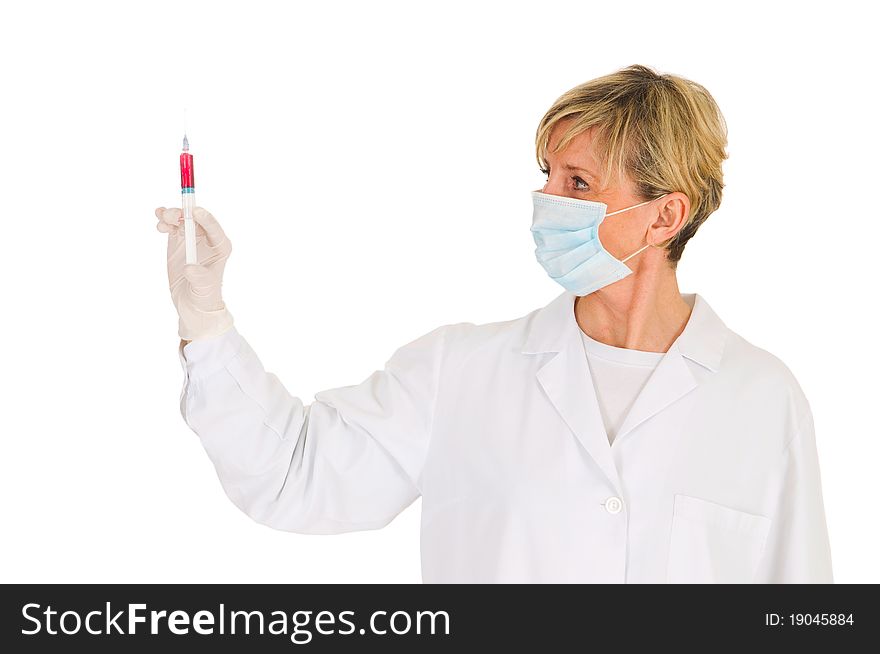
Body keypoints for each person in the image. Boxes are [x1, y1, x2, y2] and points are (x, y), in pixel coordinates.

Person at [154, 64, 833, 583]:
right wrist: (205, 320)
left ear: (664, 216)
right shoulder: (461, 372)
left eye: (578, 184)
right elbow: (295, 475)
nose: (545, 201)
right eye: (548, 175)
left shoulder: (762, 398)